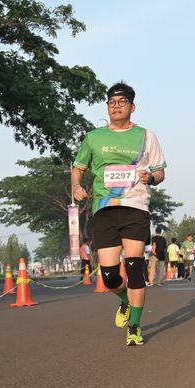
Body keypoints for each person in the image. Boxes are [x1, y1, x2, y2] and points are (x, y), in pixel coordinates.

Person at [71, 81, 166, 346]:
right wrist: (76, 185)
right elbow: (78, 168)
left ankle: (134, 326)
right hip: (104, 209)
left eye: (122, 102)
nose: (116, 106)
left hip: (136, 207)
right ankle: (125, 300)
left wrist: (151, 178)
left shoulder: (146, 136)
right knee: (110, 275)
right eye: (112, 102)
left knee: (135, 268)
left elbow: (160, 171)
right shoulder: (94, 137)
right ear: (107, 107)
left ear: (132, 107)